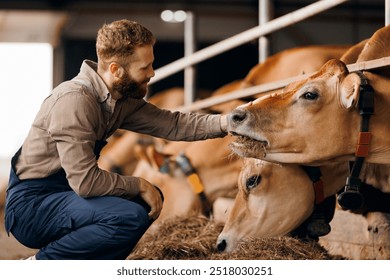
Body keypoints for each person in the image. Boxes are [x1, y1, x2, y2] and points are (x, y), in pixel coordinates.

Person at [4, 19, 229, 260]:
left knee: (143, 204)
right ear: (115, 70)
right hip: (33, 205)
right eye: (145, 67)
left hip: (64, 194)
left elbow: (174, 124)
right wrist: (139, 184)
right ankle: (38, 266)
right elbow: (86, 182)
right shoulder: (75, 101)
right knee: (128, 215)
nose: (152, 73)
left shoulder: (120, 100)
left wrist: (230, 122)